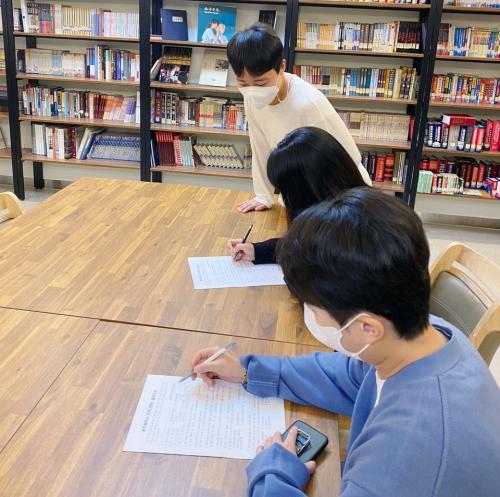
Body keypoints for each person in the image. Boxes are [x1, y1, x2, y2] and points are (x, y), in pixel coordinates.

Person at [190, 188, 500, 497]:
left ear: (368, 328)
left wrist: (273, 474)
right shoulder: (427, 334)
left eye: (314, 309)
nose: (314, 317)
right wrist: (247, 370)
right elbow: (345, 375)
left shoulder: (402, 455)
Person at [227, 22, 371, 213]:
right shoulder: (251, 98)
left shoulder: (307, 103)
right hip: (299, 190)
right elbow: (259, 144)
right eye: (243, 83)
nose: (252, 91)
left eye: (260, 83)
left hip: (340, 192)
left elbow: (345, 159)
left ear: (281, 66)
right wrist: (263, 195)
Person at [227, 127, 368, 264]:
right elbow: (303, 246)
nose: (286, 199)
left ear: (306, 188)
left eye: (286, 191)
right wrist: (256, 250)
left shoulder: (352, 230)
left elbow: (309, 255)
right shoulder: (346, 212)